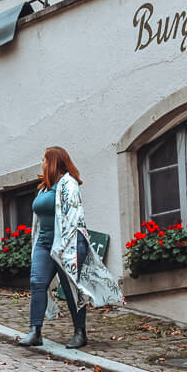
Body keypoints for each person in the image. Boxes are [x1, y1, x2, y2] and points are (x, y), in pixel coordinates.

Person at [17, 146, 123, 349]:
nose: (42, 163)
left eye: (44, 159)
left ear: (54, 162)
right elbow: (38, 220)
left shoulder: (69, 185)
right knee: (37, 282)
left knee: (70, 288)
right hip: (44, 243)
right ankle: (35, 332)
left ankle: (80, 333)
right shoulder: (44, 188)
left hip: (69, 243)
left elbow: (74, 218)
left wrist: (62, 248)